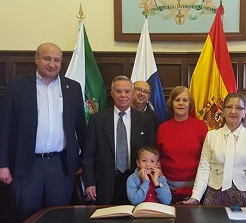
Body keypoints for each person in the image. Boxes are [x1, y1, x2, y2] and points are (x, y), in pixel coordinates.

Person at [0, 43, 87, 222]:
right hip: (26, 164)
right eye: (47, 58)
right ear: (36, 59)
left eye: (57, 60)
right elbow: (4, 127)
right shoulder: (18, 86)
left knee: (59, 214)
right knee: (27, 215)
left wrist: (83, 161)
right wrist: (3, 164)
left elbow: (81, 128)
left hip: (60, 165)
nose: (52, 64)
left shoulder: (73, 88)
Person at [82, 75, 156, 205]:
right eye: (118, 91)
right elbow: (89, 155)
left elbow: (151, 152)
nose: (123, 95)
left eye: (127, 91)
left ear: (132, 93)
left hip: (136, 180)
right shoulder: (97, 120)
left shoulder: (145, 120)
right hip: (105, 183)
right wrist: (89, 183)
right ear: (112, 94)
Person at [157, 86, 207, 203]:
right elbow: (157, 156)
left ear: (190, 104)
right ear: (171, 103)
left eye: (185, 100)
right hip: (166, 187)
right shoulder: (163, 128)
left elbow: (206, 158)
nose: (181, 103)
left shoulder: (200, 127)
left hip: (195, 187)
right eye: (177, 100)